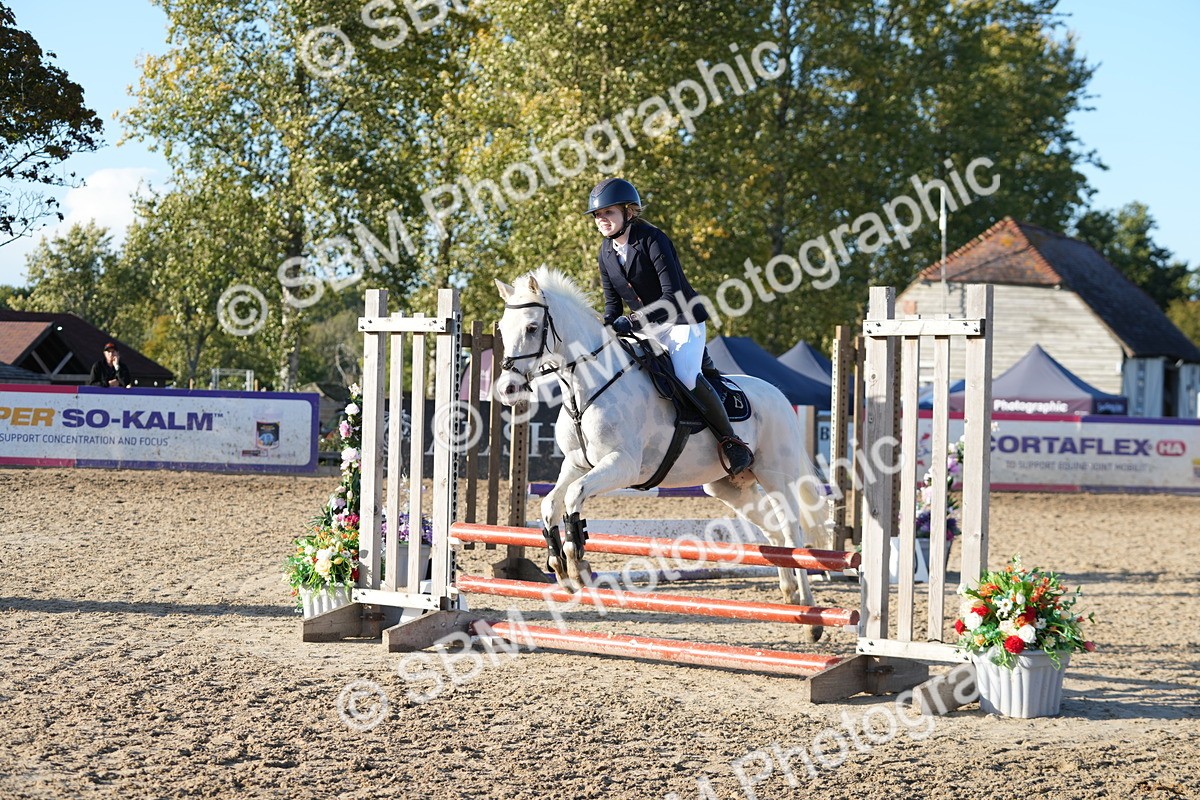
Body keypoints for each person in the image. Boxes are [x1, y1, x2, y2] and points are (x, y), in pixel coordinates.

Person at [585, 177, 753, 475]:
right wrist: (602, 328)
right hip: (645, 327)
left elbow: (671, 296)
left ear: (629, 212)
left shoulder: (652, 239)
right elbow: (613, 306)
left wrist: (633, 321)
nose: (602, 219)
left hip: (681, 320)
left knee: (687, 375)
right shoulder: (605, 252)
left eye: (608, 212)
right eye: (598, 215)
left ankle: (732, 442)